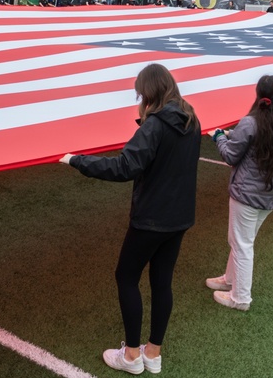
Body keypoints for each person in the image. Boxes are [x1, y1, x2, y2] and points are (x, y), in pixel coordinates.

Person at [60, 63, 201, 375]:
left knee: (126, 277)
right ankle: (154, 354)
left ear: (149, 91)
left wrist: (78, 161)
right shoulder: (191, 118)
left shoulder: (155, 126)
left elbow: (124, 167)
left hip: (151, 219)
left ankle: (132, 355)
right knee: (162, 282)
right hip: (179, 218)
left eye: (140, 92)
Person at [206, 75, 273, 311]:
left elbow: (231, 156)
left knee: (242, 244)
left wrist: (218, 138)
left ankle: (240, 298)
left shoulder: (250, 122)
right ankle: (229, 280)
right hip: (271, 195)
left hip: (247, 195)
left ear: (258, 95)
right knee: (242, 241)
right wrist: (231, 136)